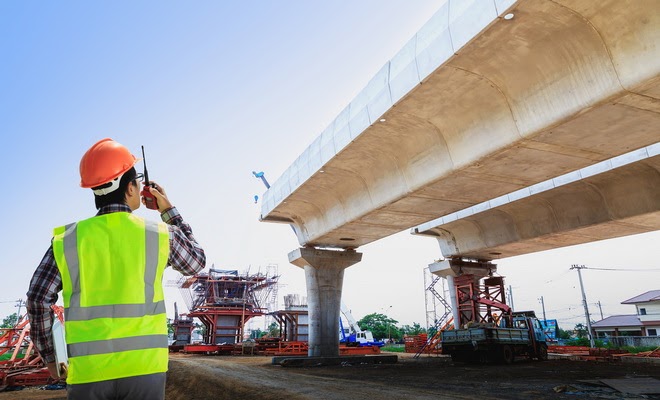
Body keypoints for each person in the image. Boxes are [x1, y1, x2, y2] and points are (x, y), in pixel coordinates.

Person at [26, 138, 206, 400]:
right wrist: (168, 210)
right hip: (145, 369)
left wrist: (51, 357)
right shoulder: (160, 235)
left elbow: (37, 298)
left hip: (88, 372)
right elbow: (196, 262)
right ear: (131, 187)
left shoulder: (68, 240)